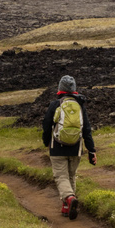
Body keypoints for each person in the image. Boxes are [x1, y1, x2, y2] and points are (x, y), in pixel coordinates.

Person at [41, 74, 95, 219]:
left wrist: (46, 142)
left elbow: (46, 126)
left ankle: (70, 199)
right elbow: (87, 130)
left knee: (61, 176)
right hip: (76, 147)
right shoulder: (80, 105)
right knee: (71, 176)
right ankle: (66, 207)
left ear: (60, 89)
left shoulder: (55, 105)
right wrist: (91, 151)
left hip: (57, 147)